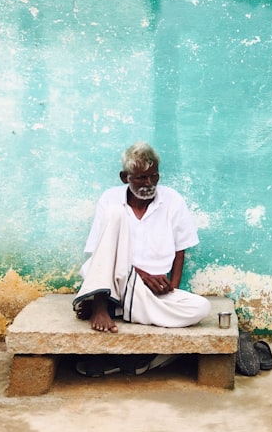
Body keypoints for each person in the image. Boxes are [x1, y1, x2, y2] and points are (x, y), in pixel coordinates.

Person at [73, 142, 211, 337]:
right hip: (116, 279)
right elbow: (101, 252)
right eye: (141, 178)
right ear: (125, 177)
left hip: (152, 291)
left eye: (154, 176)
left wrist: (172, 289)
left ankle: (118, 309)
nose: (149, 183)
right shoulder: (110, 198)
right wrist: (141, 275)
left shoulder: (172, 200)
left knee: (201, 307)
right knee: (91, 265)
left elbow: (181, 250)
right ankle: (101, 307)